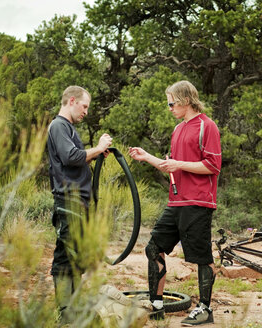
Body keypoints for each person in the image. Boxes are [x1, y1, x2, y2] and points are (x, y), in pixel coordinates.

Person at [128, 80, 221, 326]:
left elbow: (212, 166)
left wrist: (178, 164)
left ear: (186, 100)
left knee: (202, 258)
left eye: (172, 103)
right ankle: (156, 306)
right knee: (153, 248)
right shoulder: (178, 129)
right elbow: (171, 168)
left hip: (198, 202)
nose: (169, 107)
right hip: (176, 202)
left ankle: (204, 310)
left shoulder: (206, 126)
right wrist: (146, 157)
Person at [47, 85, 113, 323]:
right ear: (72, 101)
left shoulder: (68, 128)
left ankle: (73, 310)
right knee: (66, 256)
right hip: (69, 200)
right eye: (84, 106)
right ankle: (66, 314)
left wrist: (95, 153)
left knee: (76, 257)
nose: (86, 111)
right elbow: (71, 157)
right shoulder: (58, 126)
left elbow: (77, 159)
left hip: (78, 200)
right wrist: (96, 148)